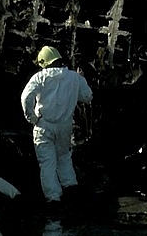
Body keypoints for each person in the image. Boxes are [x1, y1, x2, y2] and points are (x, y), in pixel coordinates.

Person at [20, 46, 93, 207]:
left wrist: (32, 118)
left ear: (44, 62)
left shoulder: (39, 77)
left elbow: (26, 97)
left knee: (47, 162)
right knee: (64, 158)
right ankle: (71, 188)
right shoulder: (75, 78)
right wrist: (81, 80)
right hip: (65, 126)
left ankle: (54, 199)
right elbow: (87, 97)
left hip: (44, 125)